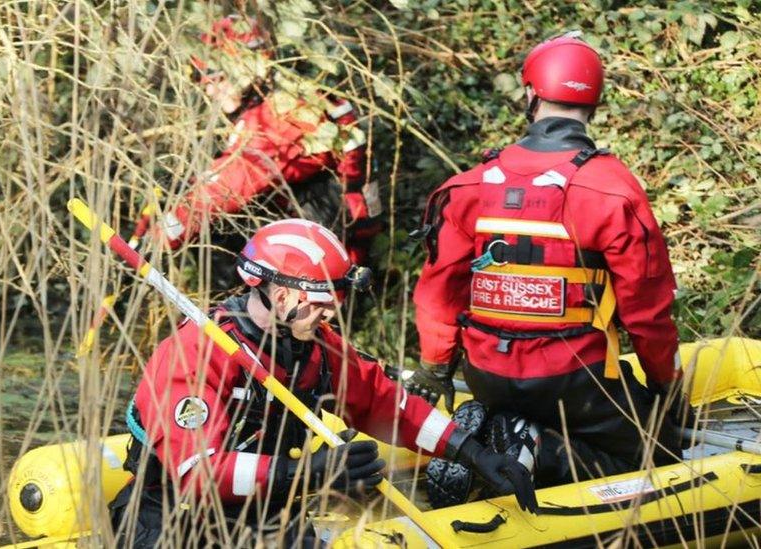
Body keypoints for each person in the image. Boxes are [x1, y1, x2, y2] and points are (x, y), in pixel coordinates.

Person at [110, 219, 537, 546]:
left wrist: (474, 453)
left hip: (263, 518)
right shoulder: (197, 353)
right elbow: (198, 471)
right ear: (282, 297)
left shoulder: (313, 346)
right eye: (323, 306)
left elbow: (385, 402)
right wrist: (311, 472)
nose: (331, 318)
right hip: (171, 521)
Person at [410, 33, 688, 503]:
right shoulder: (611, 187)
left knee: (526, 407)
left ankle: (500, 431)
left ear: (531, 95)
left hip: (486, 373)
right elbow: (647, 312)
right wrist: (665, 386)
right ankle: (538, 447)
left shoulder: (470, 184)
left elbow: (439, 291)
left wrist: (435, 369)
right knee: (662, 453)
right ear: (595, 103)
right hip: (575, 380)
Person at [144, 15, 381, 284]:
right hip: (337, 240)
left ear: (244, 69)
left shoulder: (276, 118)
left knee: (221, 234)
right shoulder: (296, 93)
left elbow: (225, 189)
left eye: (215, 78)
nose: (209, 91)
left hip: (320, 261)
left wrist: (157, 240)